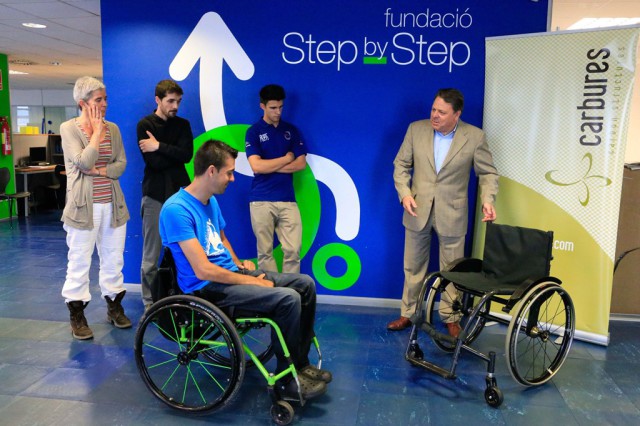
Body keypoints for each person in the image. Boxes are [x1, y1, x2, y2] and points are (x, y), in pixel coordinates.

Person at [158, 139, 331, 400]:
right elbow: (203, 271)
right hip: (207, 288)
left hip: (229, 277)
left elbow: (221, 240)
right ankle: (286, 381)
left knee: (304, 284)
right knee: (287, 299)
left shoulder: (210, 201)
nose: (233, 178)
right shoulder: (176, 210)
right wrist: (252, 282)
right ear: (211, 171)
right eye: (229, 172)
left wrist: (239, 264)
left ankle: (300, 364)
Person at [388, 88, 499, 335]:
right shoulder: (416, 129)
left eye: (441, 112)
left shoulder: (475, 137)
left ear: (456, 114)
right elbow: (401, 164)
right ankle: (409, 313)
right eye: (433, 109)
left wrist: (488, 199)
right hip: (417, 209)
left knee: (453, 270)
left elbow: (488, 173)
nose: (435, 115)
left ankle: (451, 316)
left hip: (453, 212)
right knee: (413, 267)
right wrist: (405, 194)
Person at [60, 76, 131, 340]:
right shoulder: (69, 128)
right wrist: (97, 134)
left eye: (105, 99)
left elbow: (120, 165)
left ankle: (114, 307)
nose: (104, 104)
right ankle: (77, 315)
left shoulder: (114, 129)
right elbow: (83, 162)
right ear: (82, 103)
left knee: (114, 258)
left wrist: (100, 171)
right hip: (82, 208)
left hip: (113, 205)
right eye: (98, 100)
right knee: (79, 261)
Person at [138, 79, 193, 310]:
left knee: (185, 252)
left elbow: (187, 155)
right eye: (170, 101)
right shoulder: (145, 125)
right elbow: (155, 163)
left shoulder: (183, 124)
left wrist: (159, 146)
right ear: (158, 100)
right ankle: (150, 304)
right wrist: (172, 152)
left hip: (180, 197)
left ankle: (181, 298)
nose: (175, 106)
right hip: (155, 196)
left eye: (178, 101)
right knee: (151, 255)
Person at [245, 84, 307, 273]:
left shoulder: (291, 130)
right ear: (262, 106)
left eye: (281, 107)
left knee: (293, 251)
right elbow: (256, 166)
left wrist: (270, 166)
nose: (278, 112)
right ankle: (271, 290)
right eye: (273, 108)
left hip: (288, 199)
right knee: (265, 253)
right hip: (261, 199)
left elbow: (301, 164)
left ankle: (292, 290)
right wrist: (286, 159)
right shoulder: (253, 132)